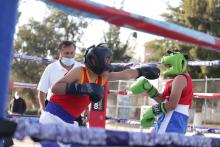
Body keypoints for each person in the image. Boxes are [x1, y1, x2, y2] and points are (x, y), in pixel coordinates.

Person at [39, 43, 160, 147]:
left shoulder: (103, 77)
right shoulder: (80, 72)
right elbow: (55, 88)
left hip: (70, 122)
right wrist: (83, 88)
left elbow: (125, 74)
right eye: (106, 60)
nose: (108, 63)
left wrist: (141, 71)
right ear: (95, 61)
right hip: (52, 118)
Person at [130, 50, 194, 134]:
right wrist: (150, 89)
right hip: (174, 118)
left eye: (169, 66)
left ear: (177, 63)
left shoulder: (180, 78)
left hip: (172, 118)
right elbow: (163, 100)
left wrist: (153, 111)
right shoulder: (180, 79)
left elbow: (172, 105)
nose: (167, 69)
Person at [37, 41, 87, 126]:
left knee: (75, 138)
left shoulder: (82, 68)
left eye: (72, 53)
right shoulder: (51, 68)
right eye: (66, 53)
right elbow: (41, 91)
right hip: (54, 111)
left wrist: (87, 110)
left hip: (75, 113)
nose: (69, 55)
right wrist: (43, 110)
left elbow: (86, 91)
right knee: (51, 138)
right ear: (60, 53)